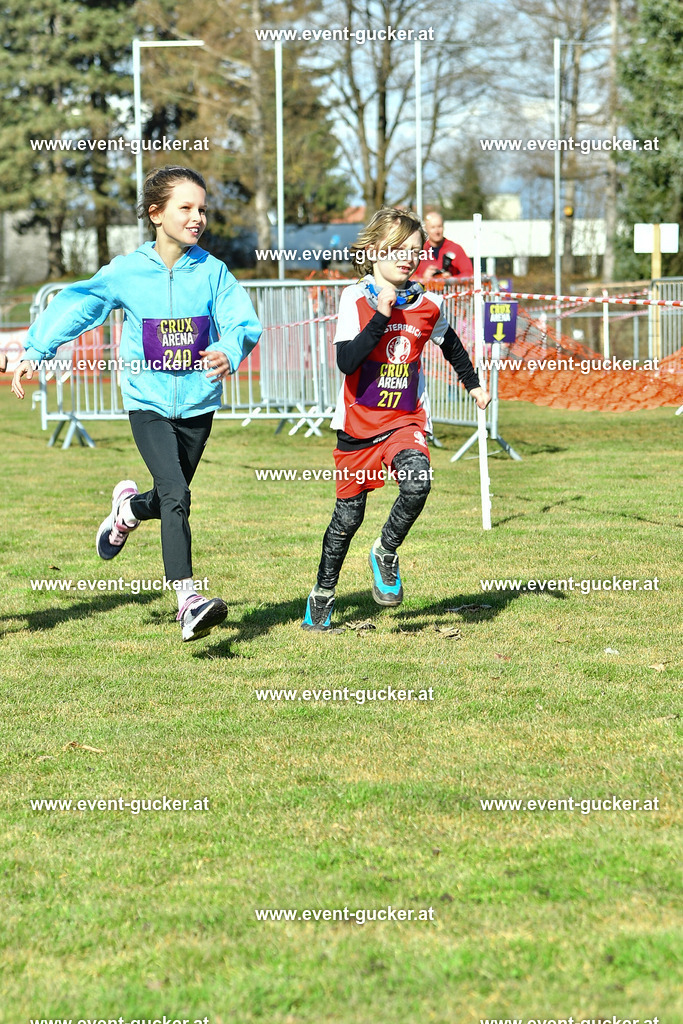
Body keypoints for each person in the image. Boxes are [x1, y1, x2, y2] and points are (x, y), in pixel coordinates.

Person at [12, 165, 262, 641]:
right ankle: (187, 600)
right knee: (177, 494)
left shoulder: (213, 272)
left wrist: (229, 351)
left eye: (202, 209)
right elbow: (77, 305)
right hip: (146, 401)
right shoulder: (126, 271)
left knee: (170, 496)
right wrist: (36, 351)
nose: (196, 218)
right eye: (185, 208)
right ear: (156, 214)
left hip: (198, 403)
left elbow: (242, 323)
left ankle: (126, 511)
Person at [302, 206, 489, 631]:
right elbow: (346, 362)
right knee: (347, 519)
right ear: (372, 252)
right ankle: (323, 594)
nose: (406, 258)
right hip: (356, 427)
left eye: (414, 251)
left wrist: (473, 384)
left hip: (404, 422)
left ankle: (386, 551)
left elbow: (452, 346)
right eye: (396, 249)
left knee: (418, 481)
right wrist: (382, 315)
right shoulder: (355, 298)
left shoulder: (428, 304)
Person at [414, 211, 473, 282]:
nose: (437, 231)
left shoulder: (455, 249)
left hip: (449, 291)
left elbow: (469, 274)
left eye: (439, 226)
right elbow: (408, 277)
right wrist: (423, 278)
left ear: (443, 227)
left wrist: (451, 279)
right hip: (426, 291)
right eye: (433, 227)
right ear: (426, 229)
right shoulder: (420, 251)